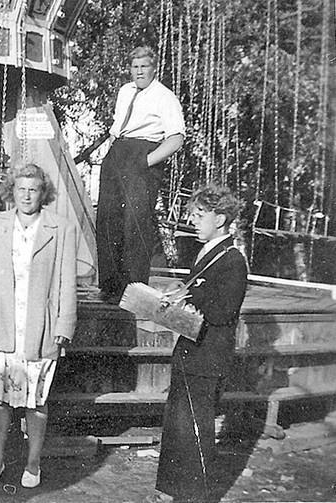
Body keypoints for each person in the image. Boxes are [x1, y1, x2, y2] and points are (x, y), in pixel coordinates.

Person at [0, 164, 77, 489]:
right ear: (12, 191)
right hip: (3, 322)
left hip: (40, 325)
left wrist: (64, 323)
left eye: (33, 189)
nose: (27, 195)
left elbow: (66, 281)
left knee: (36, 399)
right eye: (21, 188)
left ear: (42, 192)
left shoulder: (59, 227)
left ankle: (33, 463)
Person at [154, 185, 248, 502]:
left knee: (196, 428)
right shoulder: (207, 252)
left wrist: (187, 296)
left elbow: (224, 310)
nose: (192, 220)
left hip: (207, 357)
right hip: (190, 351)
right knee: (178, 424)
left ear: (220, 218)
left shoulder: (233, 259)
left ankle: (193, 496)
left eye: (199, 215)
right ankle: (170, 489)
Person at [96, 46, 186, 302]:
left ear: (154, 67)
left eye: (144, 66)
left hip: (143, 153)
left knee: (135, 223)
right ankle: (110, 285)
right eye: (135, 67)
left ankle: (134, 288)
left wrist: (144, 162)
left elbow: (176, 139)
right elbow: (118, 127)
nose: (139, 71)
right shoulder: (125, 91)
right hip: (117, 153)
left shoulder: (165, 97)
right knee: (107, 219)